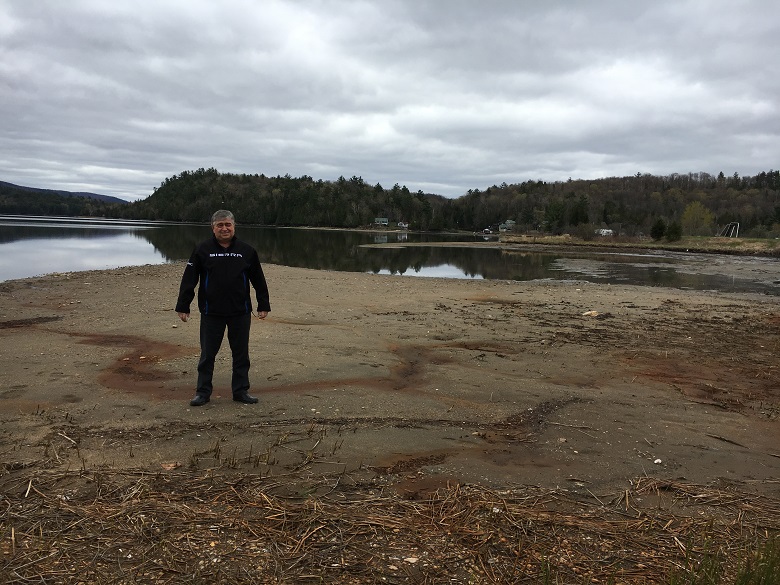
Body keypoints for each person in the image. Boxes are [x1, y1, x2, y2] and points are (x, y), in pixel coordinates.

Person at [175, 210, 270, 406]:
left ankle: (240, 391)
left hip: (240, 312)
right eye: (220, 225)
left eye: (227, 225)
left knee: (241, 355)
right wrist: (183, 305)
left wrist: (263, 304)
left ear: (234, 226)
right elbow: (189, 279)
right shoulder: (202, 249)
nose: (224, 228)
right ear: (213, 227)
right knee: (207, 355)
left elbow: (259, 280)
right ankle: (202, 393)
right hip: (212, 312)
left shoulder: (247, 251)